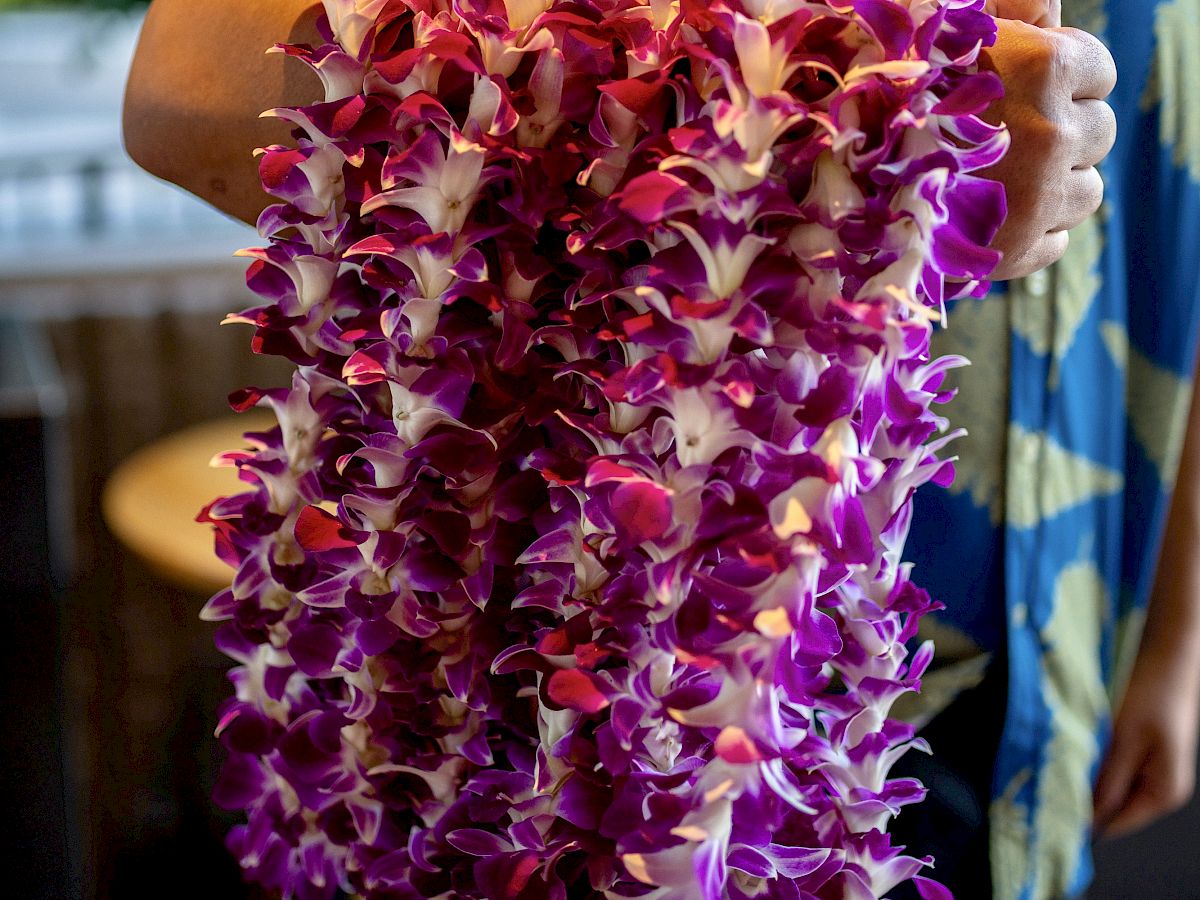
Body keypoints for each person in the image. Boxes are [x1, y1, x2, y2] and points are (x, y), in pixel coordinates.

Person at [122, 1, 1199, 897]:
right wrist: (873, 109)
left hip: (1058, 665)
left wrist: (1177, 637)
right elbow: (181, 86)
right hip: (596, 691)